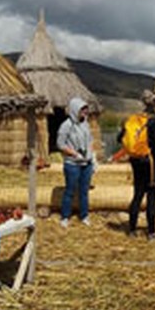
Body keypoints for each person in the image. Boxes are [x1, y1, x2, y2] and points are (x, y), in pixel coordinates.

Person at [120, 89, 155, 240]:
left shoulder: (134, 120)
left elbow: (120, 138)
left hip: (136, 161)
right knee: (152, 198)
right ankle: (152, 233)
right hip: (152, 164)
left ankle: (132, 230)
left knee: (138, 194)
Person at [57, 97, 95, 228]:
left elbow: (90, 141)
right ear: (75, 110)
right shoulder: (66, 125)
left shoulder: (86, 124)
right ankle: (65, 216)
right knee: (70, 190)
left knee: (84, 191)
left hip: (86, 163)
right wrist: (74, 153)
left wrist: (92, 159)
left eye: (86, 109)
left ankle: (84, 215)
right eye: (82, 109)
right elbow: (60, 144)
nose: (85, 112)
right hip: (72, 164)